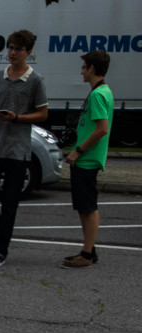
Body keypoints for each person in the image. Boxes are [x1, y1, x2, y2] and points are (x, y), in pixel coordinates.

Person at [0, 29, 47, 268]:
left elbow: (43, 113)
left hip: (17, 149)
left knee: (9, 203)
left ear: (28, 52)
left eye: (17, 49)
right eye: (10, 47)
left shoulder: (35, 80)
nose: (12, 52)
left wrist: (17, 117)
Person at [62, 50, 113, 269]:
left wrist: (78, 151)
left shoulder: (98, 95)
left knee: (88, 206)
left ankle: (87, 253)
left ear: (92, 68)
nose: (81, 71)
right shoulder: (101, 91)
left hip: (87, 159)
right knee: (83, 206)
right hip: (86, 158)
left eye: (84, 67)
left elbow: (102, 129)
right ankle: (89, 249)